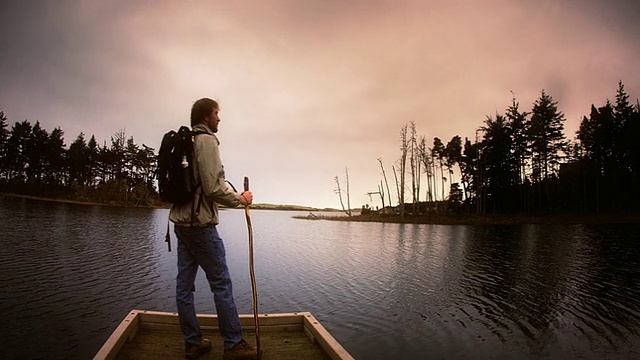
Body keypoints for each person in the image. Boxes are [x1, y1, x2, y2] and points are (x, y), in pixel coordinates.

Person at [169, 98, 258, 360]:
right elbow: (213, 187)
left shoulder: (187, 142)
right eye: (217, 114)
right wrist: (240, 199)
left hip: (181, 223)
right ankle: (233, 345)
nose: (220, 118)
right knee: (222, 284)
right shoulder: (206, 141)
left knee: (184, 286)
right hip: (200, 226)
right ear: (206, 117)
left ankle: (193, 343)